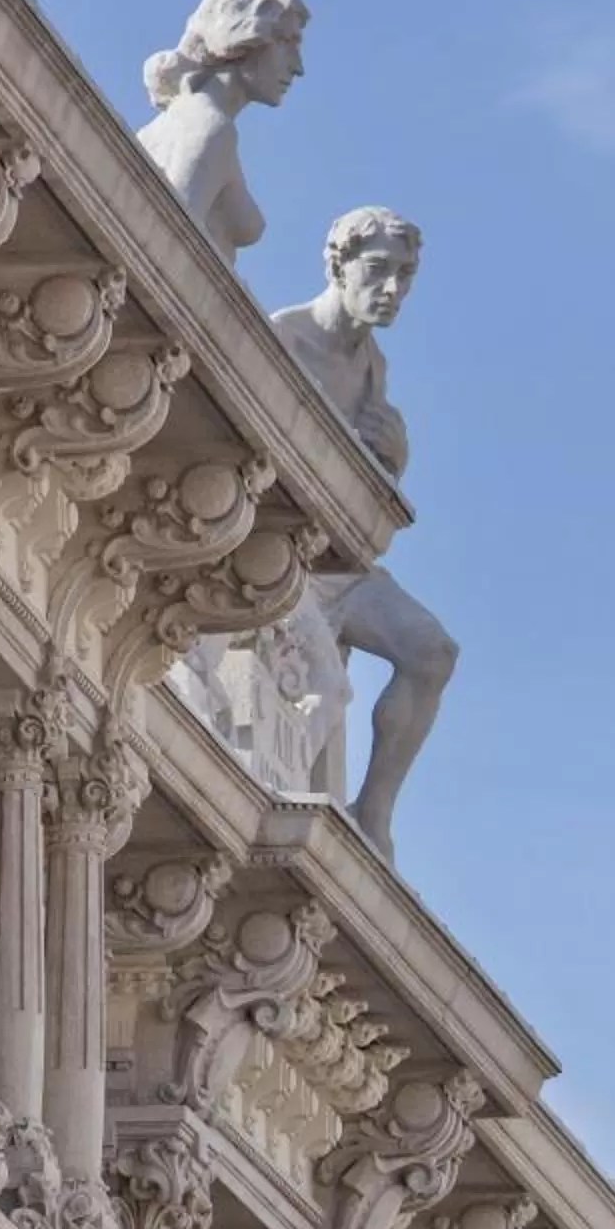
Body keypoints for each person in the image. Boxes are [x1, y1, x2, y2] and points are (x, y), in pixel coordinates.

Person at [272, 208, 460, 862]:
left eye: (404, 275)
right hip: (280, 560)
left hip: (343, 562)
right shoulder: (286, 340)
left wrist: (395, 461)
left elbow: (373, 511)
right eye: (378, 270)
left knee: (432, 652)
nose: (392, 289)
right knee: (325, 686)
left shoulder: (373, 365)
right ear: (339, 265)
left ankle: (373, 814)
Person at [135, 0, 308, 265]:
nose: (297, 66)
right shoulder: (210, 129)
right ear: (241, 38)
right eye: (285, 42)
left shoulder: (182, 119)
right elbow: (163, 248)